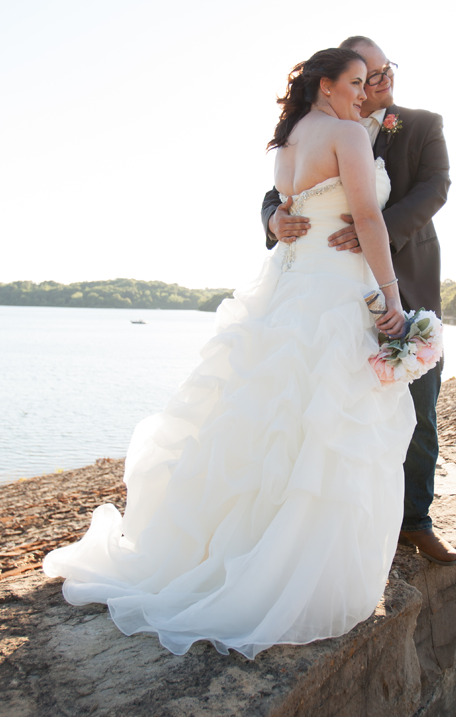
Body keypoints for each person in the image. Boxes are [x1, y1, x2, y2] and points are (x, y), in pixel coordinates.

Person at [44, 48, 417, 658]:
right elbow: (368, 219)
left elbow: (290, 209)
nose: (362, 91)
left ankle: (241, 550)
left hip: (292, 289)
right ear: (326, 85)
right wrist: (391, 302)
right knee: (323, 425)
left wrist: (281, 223)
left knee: (266, 420)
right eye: (353, 82)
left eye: (366, 82)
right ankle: (296, 577)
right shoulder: (347, 132)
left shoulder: (291, 140)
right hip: (333, 293)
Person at [261, 36, 456, 566]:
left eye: (386, 68)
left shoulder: (420, 125)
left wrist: (375, 235)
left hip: (404, 281)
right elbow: (280, 194)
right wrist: (273, 219)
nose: (383, 79)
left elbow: (435, 189)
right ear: (347, 80)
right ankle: (342, 525)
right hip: (332, 290)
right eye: (370, 73)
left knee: (417, 412)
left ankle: (414, 523)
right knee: (328, 408)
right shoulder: (325, 128)